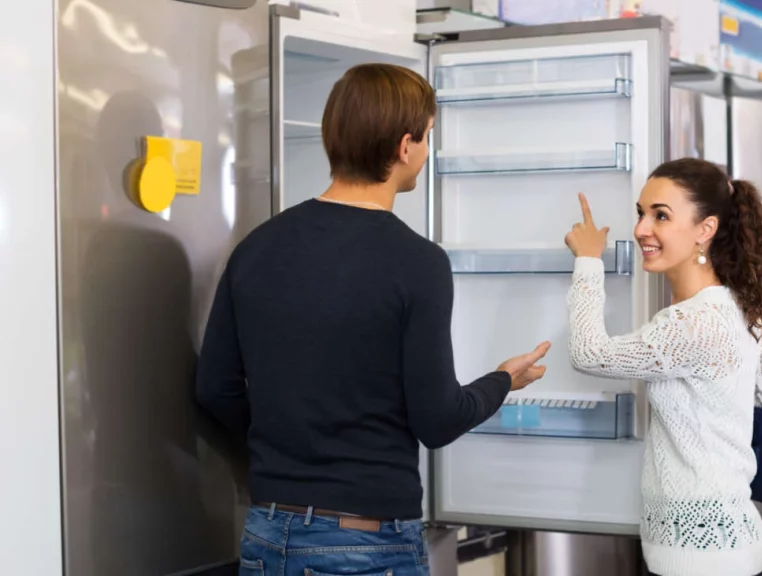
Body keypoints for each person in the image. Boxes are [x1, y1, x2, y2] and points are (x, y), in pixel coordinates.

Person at [196, 63, 551, 576]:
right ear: (405, 147)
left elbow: (215, 389)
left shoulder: (257, 246)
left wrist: (292, 441)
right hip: (363, 544)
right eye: (428, 137)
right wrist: (503, 381)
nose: (427, 152)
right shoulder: (417, 262)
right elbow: (438, 419)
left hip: (267, 534)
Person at [563, 158, 762, 576]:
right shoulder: (736, 307)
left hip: (698, 559)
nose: (641, 229)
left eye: (661, 216)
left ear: (705, 230)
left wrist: (587, 262)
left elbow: (589, 353)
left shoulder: (690, 324)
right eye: (641, 213)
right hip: (735, 542)